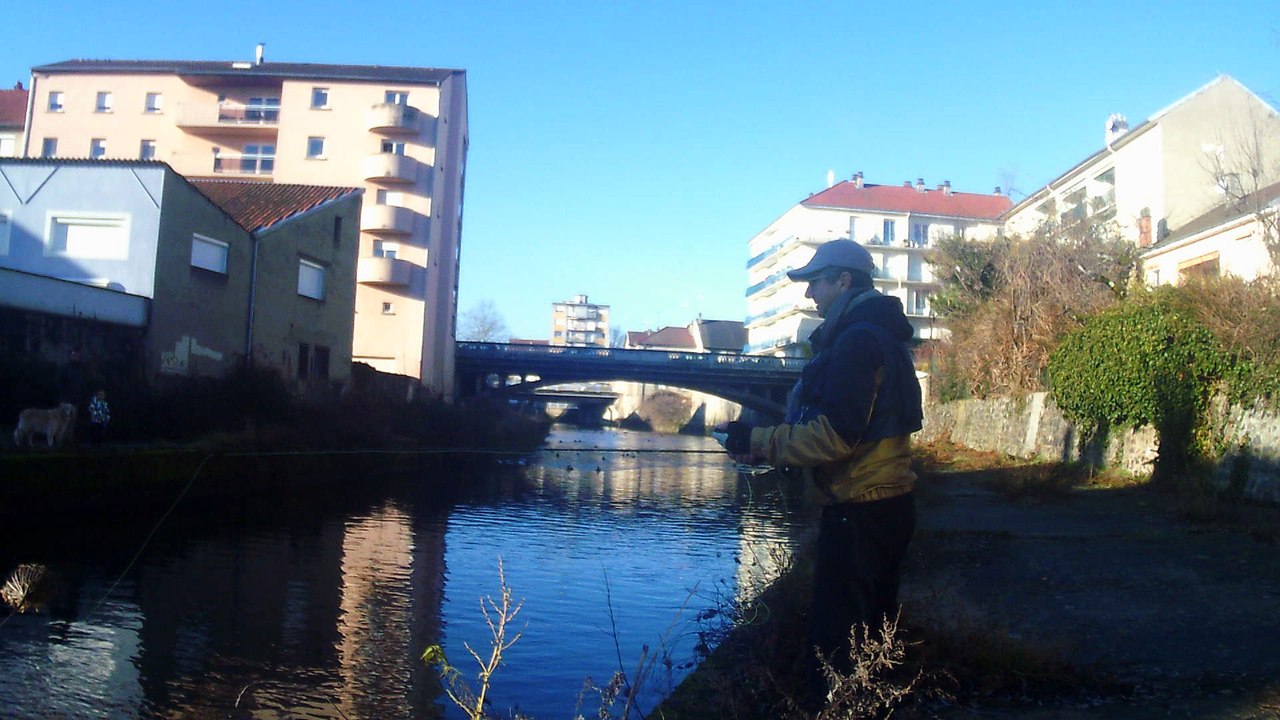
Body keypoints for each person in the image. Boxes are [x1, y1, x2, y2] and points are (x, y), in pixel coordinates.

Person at [718, 239, 923, 702]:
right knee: (869, 637)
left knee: (835, 648)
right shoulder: (881, 337)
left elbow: (835, 435)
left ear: (843, 281)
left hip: (860, 513)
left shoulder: (856, 342)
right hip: (884, 504)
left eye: (816, 283)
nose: (810, 295)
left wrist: (759, 441)